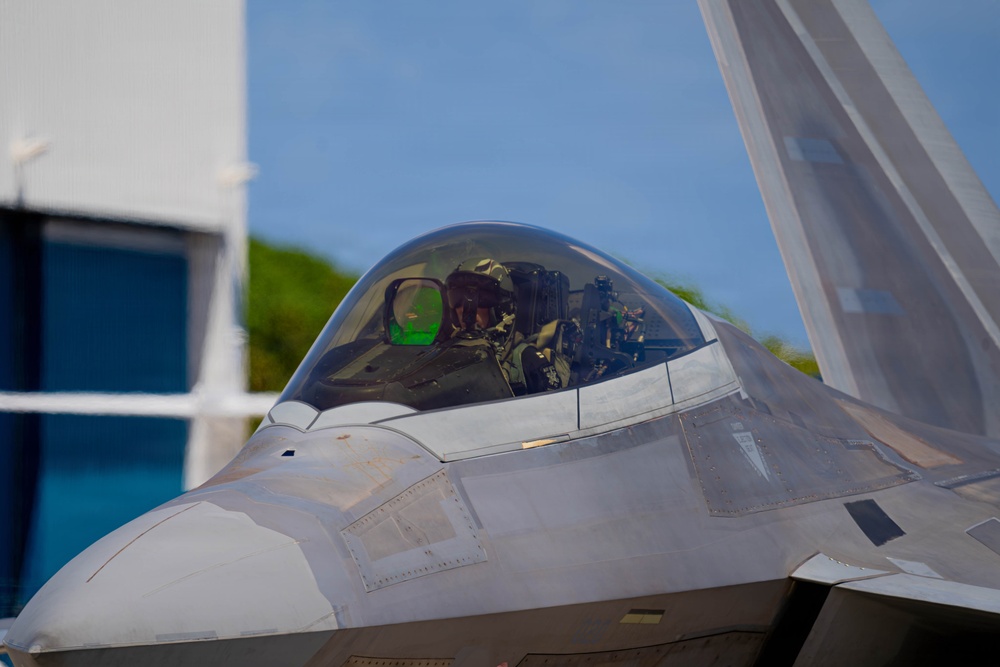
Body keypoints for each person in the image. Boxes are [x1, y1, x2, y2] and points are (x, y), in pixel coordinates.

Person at [445, 258, 562, 395]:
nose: (465, 307)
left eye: (480, 298)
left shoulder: (527, 360)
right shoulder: (446, 353)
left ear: (501, 307)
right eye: (457, 297)